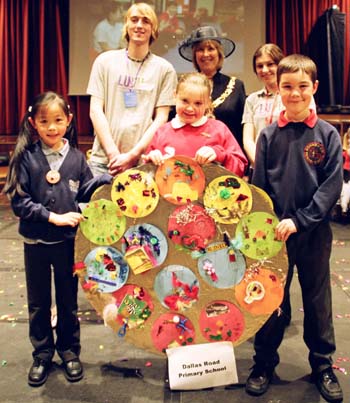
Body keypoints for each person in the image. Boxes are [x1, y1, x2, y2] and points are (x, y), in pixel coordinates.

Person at [246, 54, 343, 403]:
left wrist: (300, 220)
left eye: (303, 86)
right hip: (274, 237)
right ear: (278, 89)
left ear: (314, 88)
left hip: (313, 235)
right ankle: (263, 363)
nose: (295, 93)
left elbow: (330, 187)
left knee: (317, 300)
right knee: (271, 300)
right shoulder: (269, 136)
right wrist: (267, 224)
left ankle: (322, 364)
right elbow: (259, 188)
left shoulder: (328, 135)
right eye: (287, 87)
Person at [3, 92, 112, 387]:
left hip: (67, 243)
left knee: (67, 302)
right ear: (33, 123)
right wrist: (54, 217)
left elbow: (85, 191)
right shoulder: (25, 157)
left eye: (58, 120)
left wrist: (104, 180)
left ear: (69, 120)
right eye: (44, 121)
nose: (52, 127)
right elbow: (19, 201)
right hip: (36, 242)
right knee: (38, 303)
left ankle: (68, 351)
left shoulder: (77, 157)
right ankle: (42, 354)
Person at [87, 2, 178, 176]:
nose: (139, 25)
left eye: (146, 21)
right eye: (134, 20)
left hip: (142, 162)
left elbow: (161, 118)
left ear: (154, 29)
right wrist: (113, 153)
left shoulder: (164, 69)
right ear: (126, 25)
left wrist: (133, 154)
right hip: (103, 161)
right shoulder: (104, 61)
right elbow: (95, 110)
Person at [143, 72, 248, 176]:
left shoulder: (219, 129)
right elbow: (146, 174)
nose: (190, 108)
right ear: (175, 96)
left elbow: (240, 167)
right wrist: (151, 160)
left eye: (198, 103)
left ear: (207, 102)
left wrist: (220, 155)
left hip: (211, 192)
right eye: (185, 101)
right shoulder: (162, 132)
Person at [178, 26, 247, 151]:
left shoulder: (236, 86)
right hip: (189, 156)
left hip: (227, 158)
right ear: (194, 55)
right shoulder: (183, 85)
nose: (205, 54)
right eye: (200, 49)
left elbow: (242, 130)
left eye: (211, 49)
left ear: (219, 53)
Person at [242, 43, 285, 167]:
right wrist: (260, 164)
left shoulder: (295, 97)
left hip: (286, 168)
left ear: (281, 65)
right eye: (260, 66)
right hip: (258, 168)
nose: (265, 70)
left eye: (270, 64)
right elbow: (248, 140)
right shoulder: (251, 100)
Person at [340, 128, 350, 214]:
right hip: (346, 171)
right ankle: (344, 208)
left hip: (346, 170)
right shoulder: (345, 152)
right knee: (345, 189)